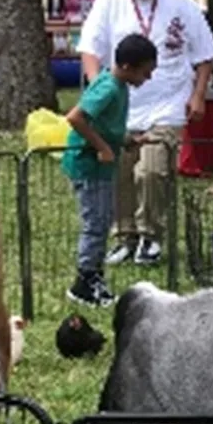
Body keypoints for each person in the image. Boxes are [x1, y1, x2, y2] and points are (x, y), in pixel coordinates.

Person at [78, 0, 213, 267]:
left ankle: (151, 236)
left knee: (151, 171)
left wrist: (198, 95)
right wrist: (99, 89)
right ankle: (126, 236)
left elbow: (206, 54)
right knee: (121, 172)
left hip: (167, 103)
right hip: (123, 105)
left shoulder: (180, 1)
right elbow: (90, 48)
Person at [62, 33, 158, 307]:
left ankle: (94, 276)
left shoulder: (118, 85)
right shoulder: (109, 88)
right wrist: (103, 148)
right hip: (88, 165)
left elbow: (106, 123)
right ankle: (84, 282)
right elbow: (76, 118)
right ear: (127, 67)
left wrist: (126, 139)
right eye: (145, 72)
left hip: (100, 167)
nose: (147, 78)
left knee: (103, 221)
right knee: (96, 224)